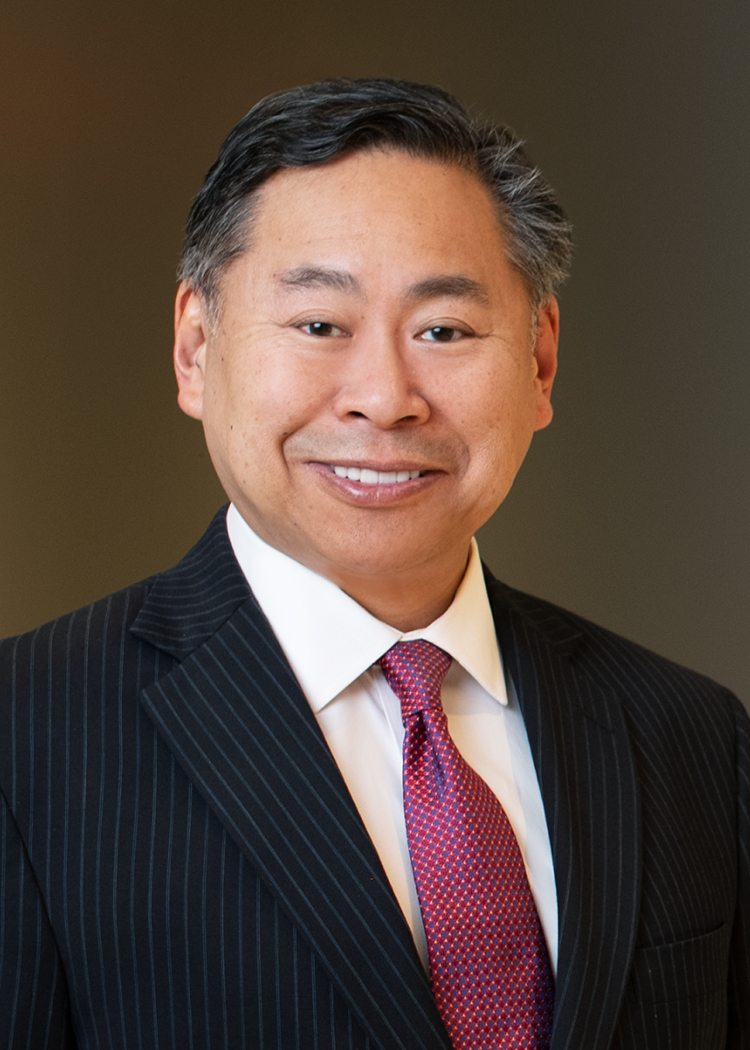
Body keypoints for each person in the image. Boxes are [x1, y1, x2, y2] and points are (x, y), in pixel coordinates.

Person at [0, 78, 747, 1050]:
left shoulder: (693, 736)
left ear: (540, 362)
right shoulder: (25, 739)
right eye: (320, 325)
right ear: (195, 349)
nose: (386, 398)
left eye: (445, 330)